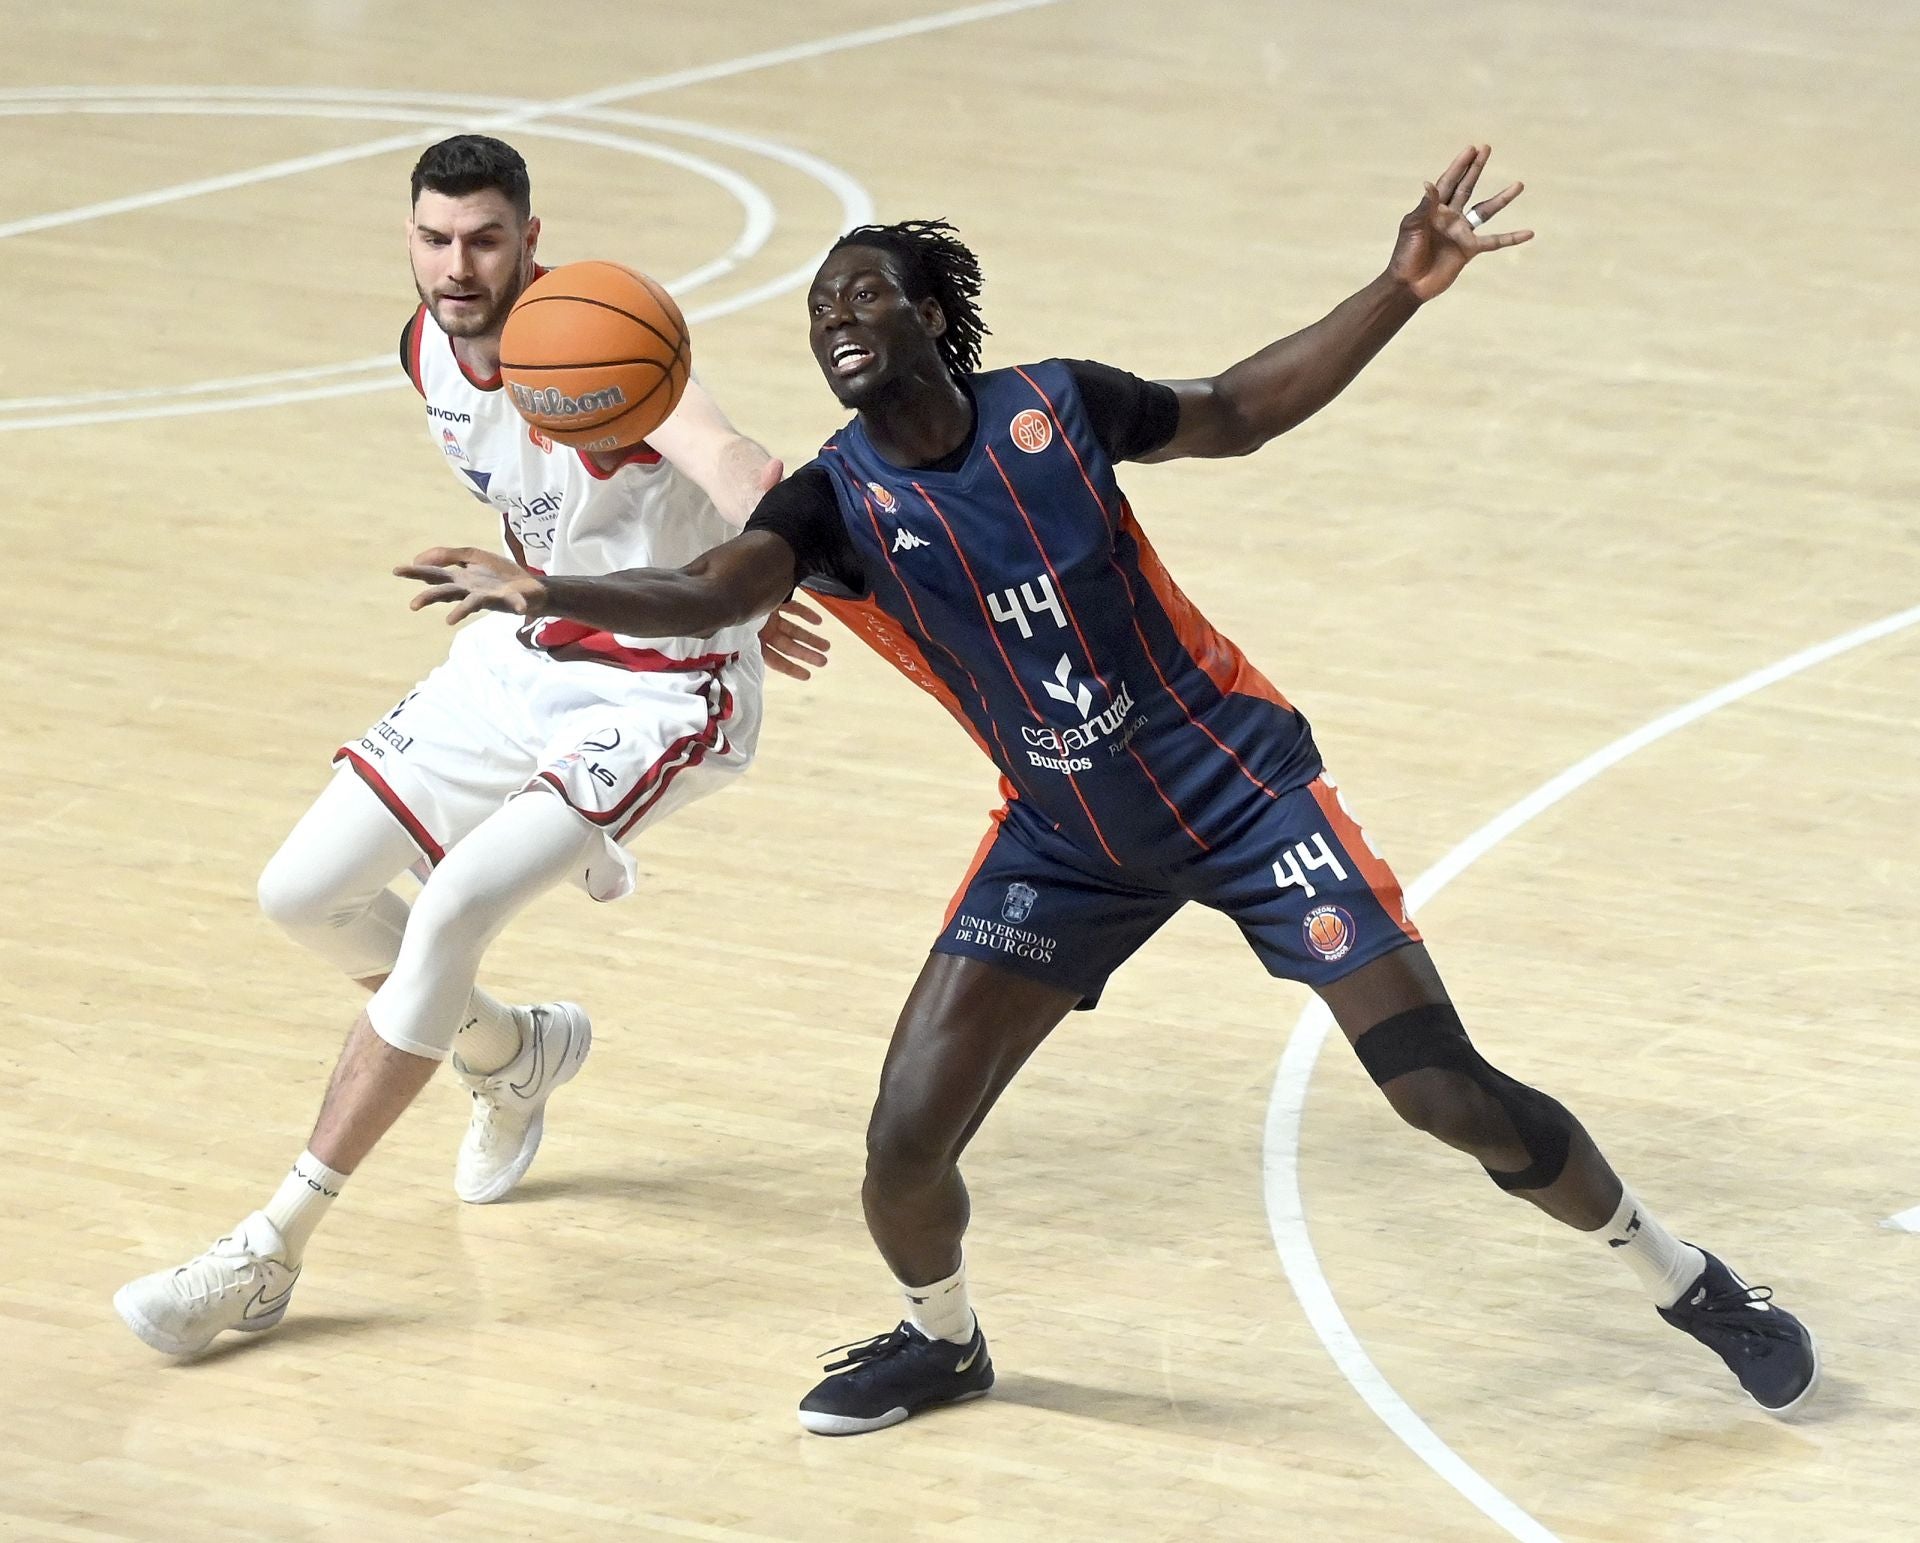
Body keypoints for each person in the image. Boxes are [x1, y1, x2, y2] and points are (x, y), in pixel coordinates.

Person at [396, 146, 1819, 1431]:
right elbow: (713, 585)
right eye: (820, 304)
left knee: (1442, 1090)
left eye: (865, 293)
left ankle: (1686, 1277)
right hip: (1065, 839)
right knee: (902, 1142)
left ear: (928, 318)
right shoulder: (829, 501)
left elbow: (1244, 407)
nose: (835, 317)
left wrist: (1400, 284)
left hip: (1245, 792)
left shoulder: (1056, 410)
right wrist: (548, 583)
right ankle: (942, 1340)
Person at [113, 134, 830, 1357]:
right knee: (303, 895)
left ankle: (270, 1248)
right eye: (437, 239)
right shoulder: (424, 348)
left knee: (448, 907)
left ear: (530, 242)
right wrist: (547, 584)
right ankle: (513, 1052)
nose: (459, 264)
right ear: (409, 240)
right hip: (525, 638)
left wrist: (760, 572)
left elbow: (742, 466)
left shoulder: (607, 351)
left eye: (486, 238)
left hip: (660, 687)